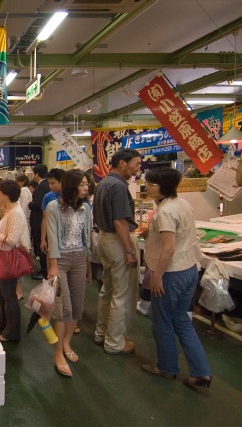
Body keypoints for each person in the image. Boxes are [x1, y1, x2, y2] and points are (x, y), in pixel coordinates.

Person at [141, 167, 212, 388]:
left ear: (164, 187)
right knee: (182, 320)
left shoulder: (166, 212)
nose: (148, 187)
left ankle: (166, 367)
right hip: (189, 269)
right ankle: (201, 372)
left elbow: (169, 249)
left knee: (162, 322)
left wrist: (157, 276)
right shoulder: (182, 204)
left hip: (170, 274)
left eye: (151, 184)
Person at [93, 148, 142, 355]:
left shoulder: (103, 183)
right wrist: (130, 251)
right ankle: (115, 343)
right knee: (122, 294)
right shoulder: (119, 186)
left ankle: (101, 333)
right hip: (117, 241)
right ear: (122, 163)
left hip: (104, 239)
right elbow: (120, 221)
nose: (138, 168)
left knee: (108, 289)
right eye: (136, 164)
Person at [46, 170, 92, 377]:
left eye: (87, 184)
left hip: (80, 259)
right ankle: (57, 354)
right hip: (61, 259)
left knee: (77, 306)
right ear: (71, 186)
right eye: (82, 184)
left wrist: (88, 266)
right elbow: (53, 237)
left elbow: (87, 238)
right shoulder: (53, 207)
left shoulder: (86, 208)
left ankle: (66, 343)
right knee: (62, 309)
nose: (86, 187)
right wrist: (53, 266)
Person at [0, 180, 31, 342]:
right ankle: (4, 326)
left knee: (8, 295)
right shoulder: (9, 210)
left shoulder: (16, 213)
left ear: (5, 194)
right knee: (2, 295)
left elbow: (12, 240)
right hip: (2, 256)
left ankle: (11, 332)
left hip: (8, 258)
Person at [28, 164, 50, 280]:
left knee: (41, 246)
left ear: (36, 174)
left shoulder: (42, 186)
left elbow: (38, 203)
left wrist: (29, 204)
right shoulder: (45, 185)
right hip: (41, 221)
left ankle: (44, 270)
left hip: (39, 221)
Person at [39, 168, 66, 257]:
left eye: (53, 183)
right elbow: (45, 218)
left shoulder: (71, 196)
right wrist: (43, 239)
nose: (50, 186)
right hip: (53, 237)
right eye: (49, 183)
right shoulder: (48, 197)